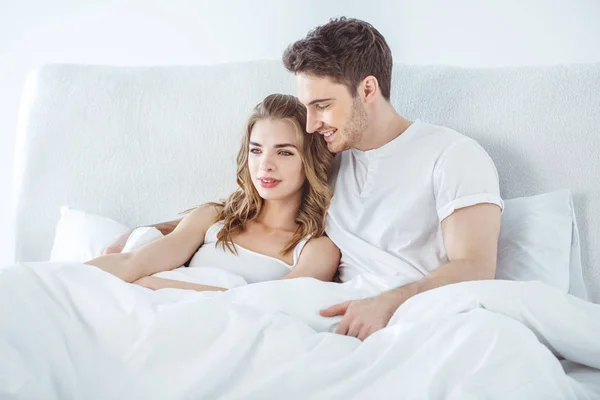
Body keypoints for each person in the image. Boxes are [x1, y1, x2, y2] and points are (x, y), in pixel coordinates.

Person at [105, 18, 503, 340]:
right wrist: (152, 231)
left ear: (368, 89)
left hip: (408, 317)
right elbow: (253, 210)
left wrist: (388, 303)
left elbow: (475, 266)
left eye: (322, 106)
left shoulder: (452, 156)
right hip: (326, 315)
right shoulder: (331, 158)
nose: (311, 123)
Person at [87, 94, 340, 291]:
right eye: (256, 150)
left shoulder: (316, 249)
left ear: (310, 162)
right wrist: (60, 279)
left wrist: (158, 285)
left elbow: (268, 305)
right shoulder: (214, 219)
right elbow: (134, 264)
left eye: (284, 152)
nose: (266, 164)